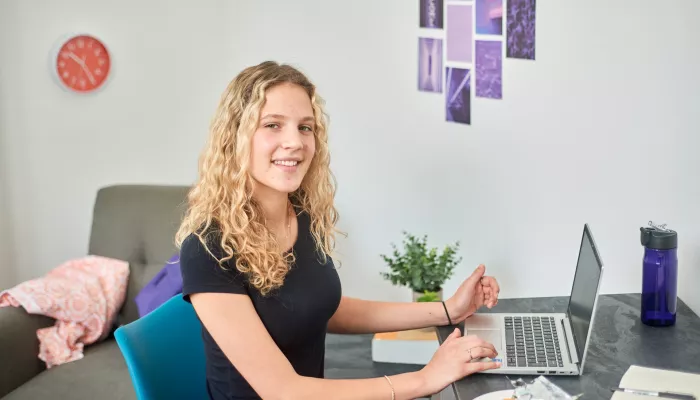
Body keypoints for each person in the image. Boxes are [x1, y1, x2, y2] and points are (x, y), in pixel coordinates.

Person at [175, 60, 502, 400]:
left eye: (305, 127)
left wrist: (448, 310)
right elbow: (283, 391)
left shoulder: (299, 212)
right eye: (272, 125)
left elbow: (318, 305)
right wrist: (424, 379)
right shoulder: (209, 247)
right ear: (235, 138)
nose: (295, 142)